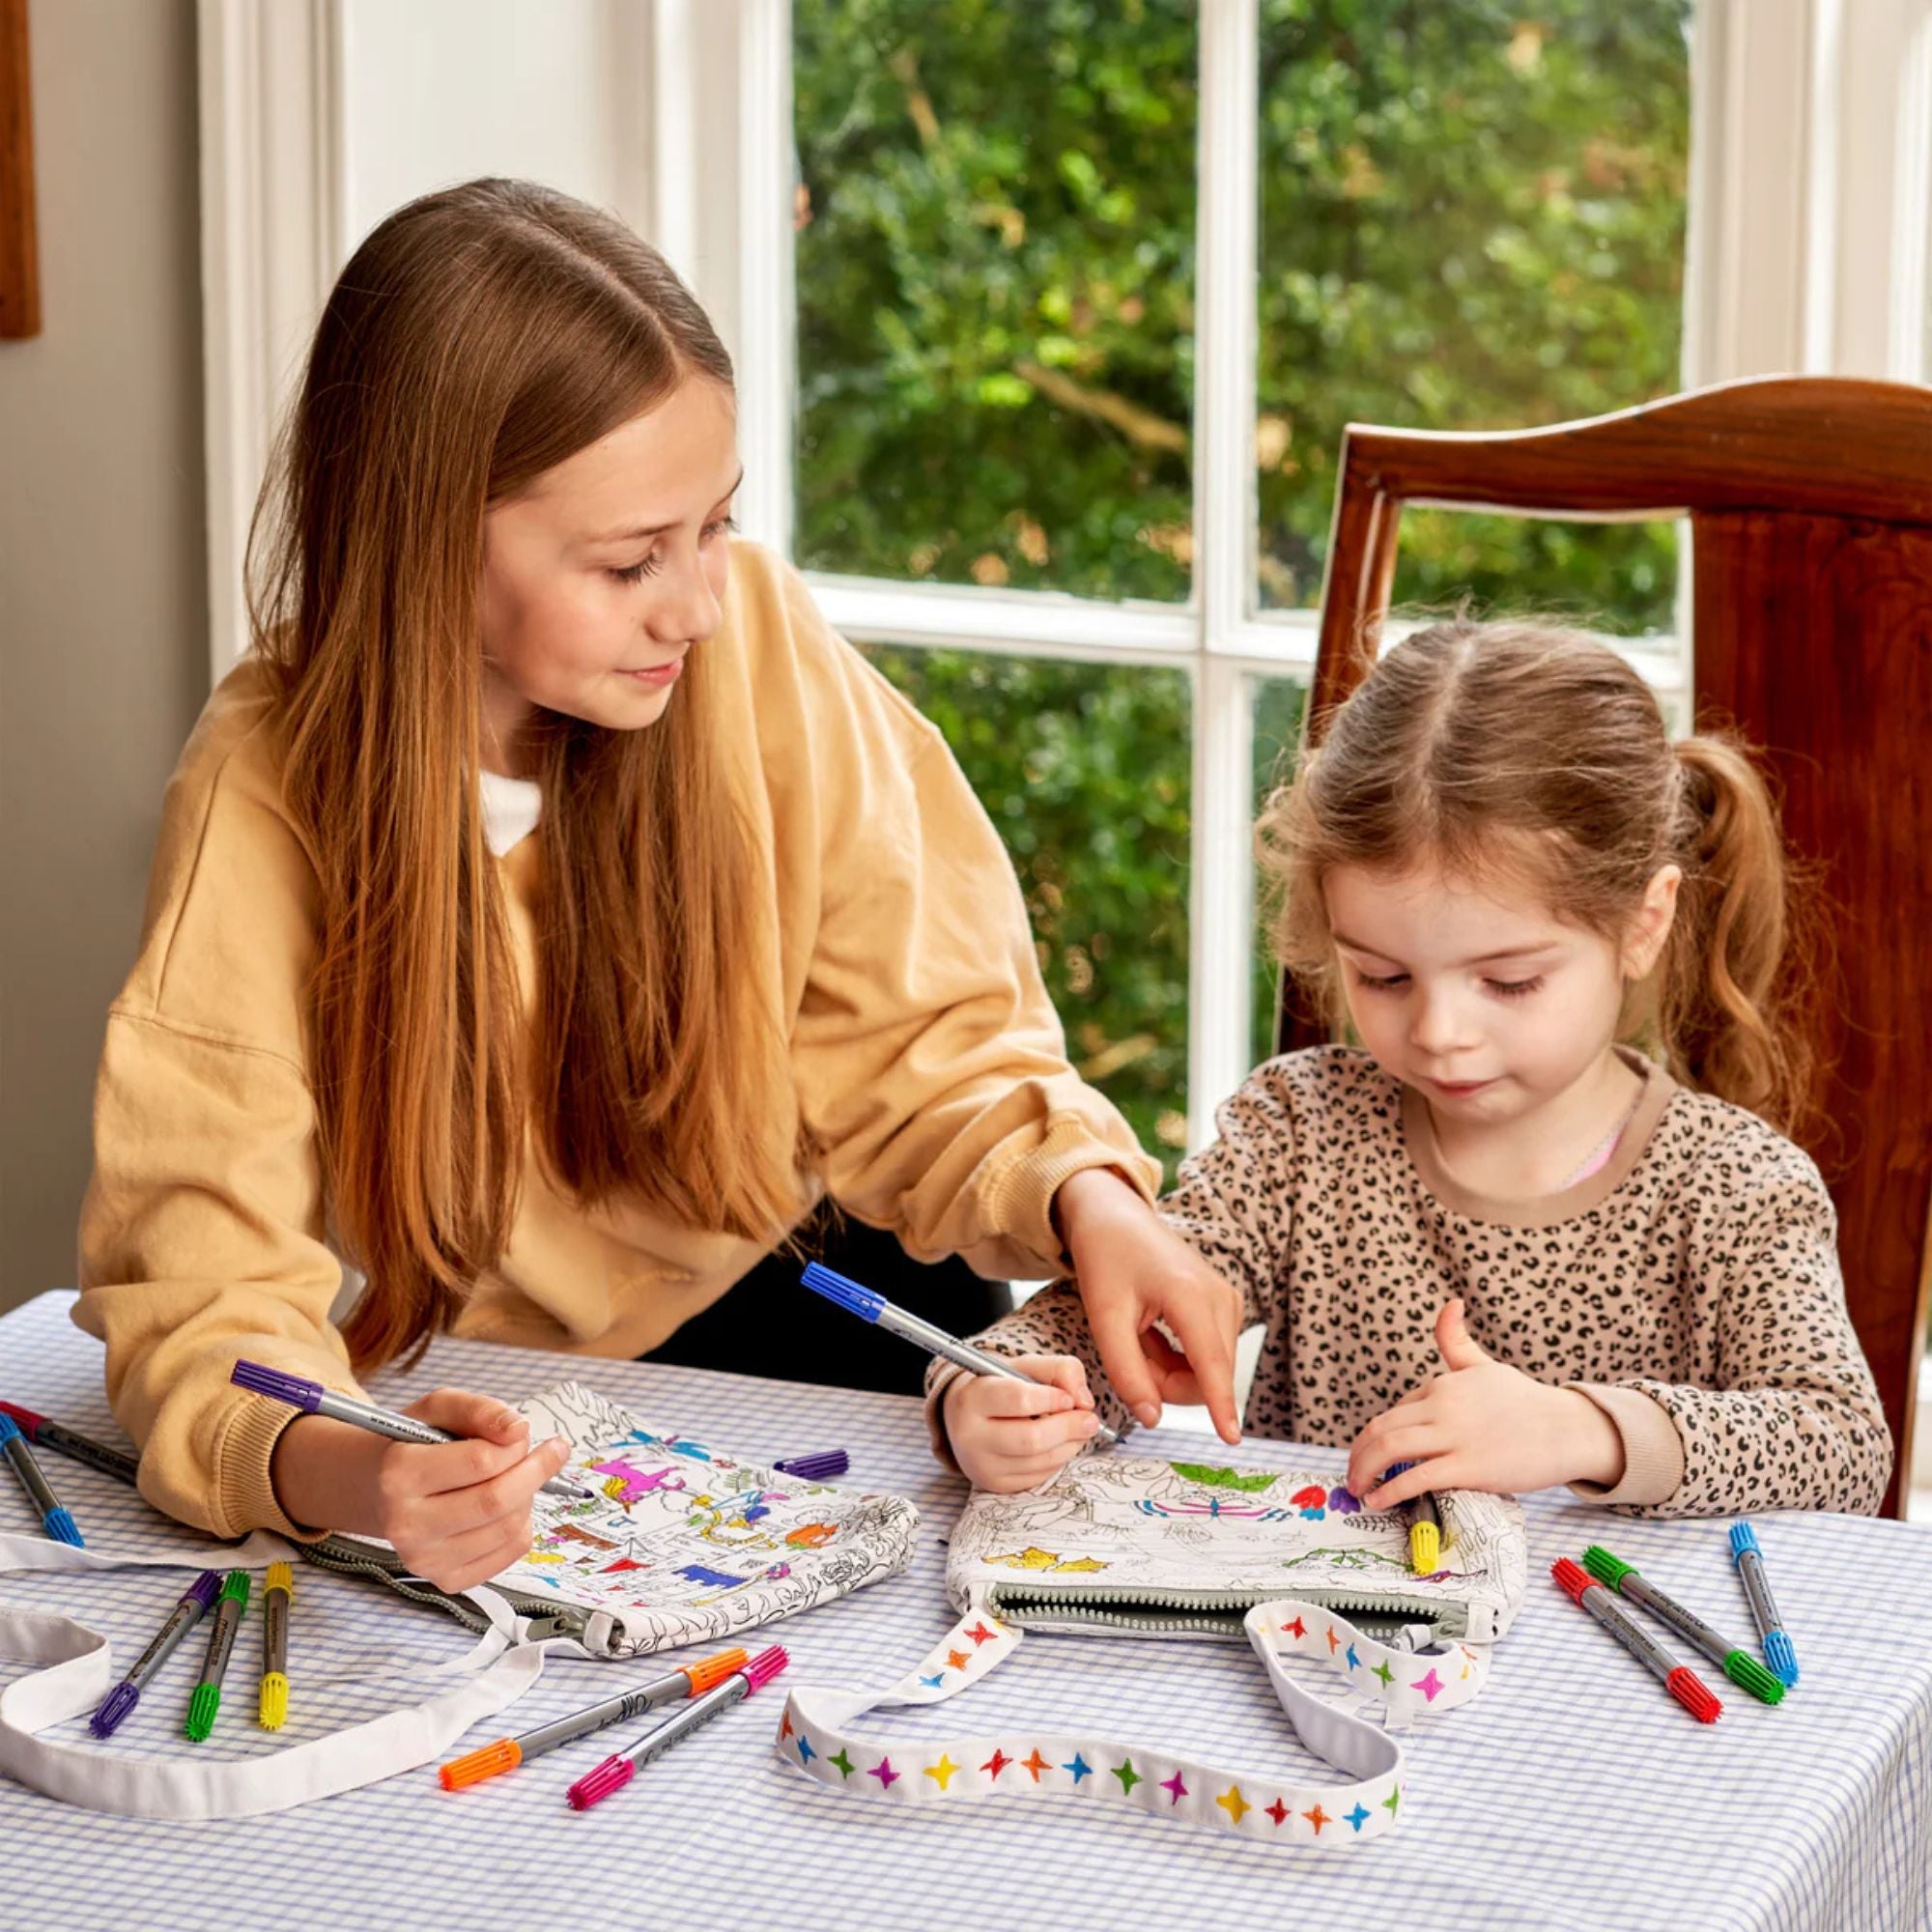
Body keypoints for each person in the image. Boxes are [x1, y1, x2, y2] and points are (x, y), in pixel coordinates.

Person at [75, 179, 1238, 1591]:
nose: (696, 602)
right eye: (632, 559)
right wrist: (363, 1475)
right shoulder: (263, 794)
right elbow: (205, 1287)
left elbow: (933, 1052)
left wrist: (1094, 1208)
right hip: (506, 1408)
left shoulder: (749, 645)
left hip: (857, 1325)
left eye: (715, 527)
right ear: (430, 537)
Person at [935, 619, 1892, 1518]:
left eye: (1507, 981)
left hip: (1613, 1667)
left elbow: (1844, 1447)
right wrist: (990, 1393)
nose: (1437, 1031)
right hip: (1318, 1654)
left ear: (1641, 923)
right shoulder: (1298, 1132)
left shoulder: (1730, 1184)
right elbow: (1119, 1312)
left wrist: (1581, 1430)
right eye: (1382, 974)